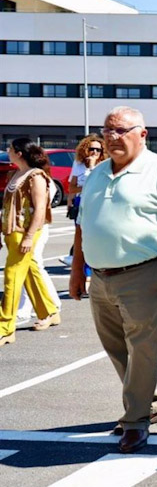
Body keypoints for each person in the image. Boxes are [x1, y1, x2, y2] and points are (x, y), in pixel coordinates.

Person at [69, 107, 157, 453]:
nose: (111, 138)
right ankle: (149, 403)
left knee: (143, 348)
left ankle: (136, 421)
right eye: (107, 131)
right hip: (101, 277)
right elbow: (83, 224)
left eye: (120, 131)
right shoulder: (97, 175)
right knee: (117, 347)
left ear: (142, 133)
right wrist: (77, 268)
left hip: (145, 275)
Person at [2, 138, 61, 345]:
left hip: (26, 231)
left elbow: (40, 209)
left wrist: (28, 236)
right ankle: (49, 310)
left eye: (9, 149)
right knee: (29, 270)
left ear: (19, 153)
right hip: (12, 231)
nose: (7, 151)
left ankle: (5, 327)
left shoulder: (36, 176)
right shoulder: (15, 174)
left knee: (12, 275)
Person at [16, 174, 63, 330]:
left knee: (32, 265)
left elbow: (42, 206)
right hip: (21, 226)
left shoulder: (39, 177)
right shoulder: (18, 175)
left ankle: (42, 307)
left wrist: (29, 234)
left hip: (35, 227)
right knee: (28, 266)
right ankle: (51, 305)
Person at [60, 134, 104, 267]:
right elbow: (72, 187)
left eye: (98, 150)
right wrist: (70, 202)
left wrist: (91, 167)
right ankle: (81, 264)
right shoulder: (78, 164)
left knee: (94, 235)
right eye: (92, 149)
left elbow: (100, 186)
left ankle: (92, 265)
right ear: (85, 149)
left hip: (97, 203)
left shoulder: (104, 165)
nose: (95, 152)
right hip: (81, 202)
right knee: (81, 233)